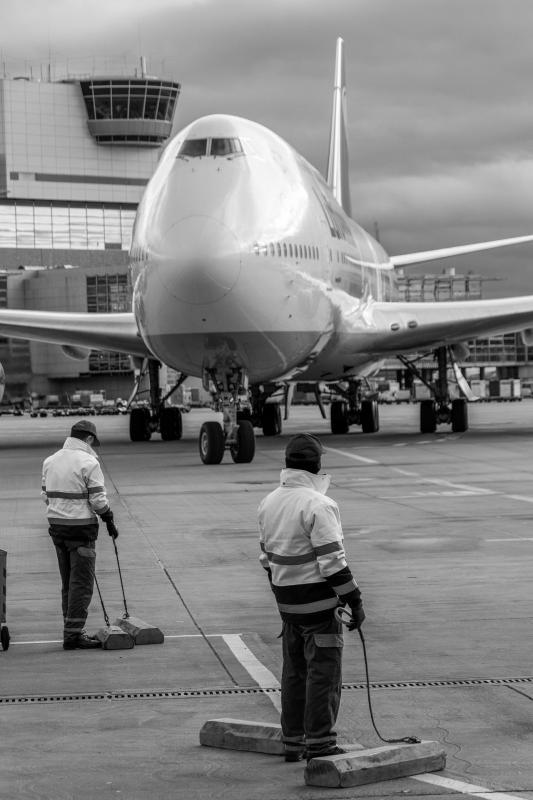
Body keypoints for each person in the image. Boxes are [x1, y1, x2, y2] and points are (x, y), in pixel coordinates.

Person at [258, 432, 365, 762]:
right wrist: (355, 601)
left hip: (288, 607)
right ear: (318, 465)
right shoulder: (319, 504)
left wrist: (284, 594)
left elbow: (266, 558)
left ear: (287, 464)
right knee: (323, 676)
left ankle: (293, 741)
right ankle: (320, 742)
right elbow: (332, 561)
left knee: (294, 674)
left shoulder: (269, 502)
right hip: (319, 607)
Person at [41, 419, 118, 650]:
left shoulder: (50, 461)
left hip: (57, 530)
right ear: (89, 439)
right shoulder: (89, 462)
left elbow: (46, 495)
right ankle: (73, 636)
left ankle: (70, 629)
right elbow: (97, 500)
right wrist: (109, 518)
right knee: (81, 584)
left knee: (68, 583)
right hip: (80, 530)